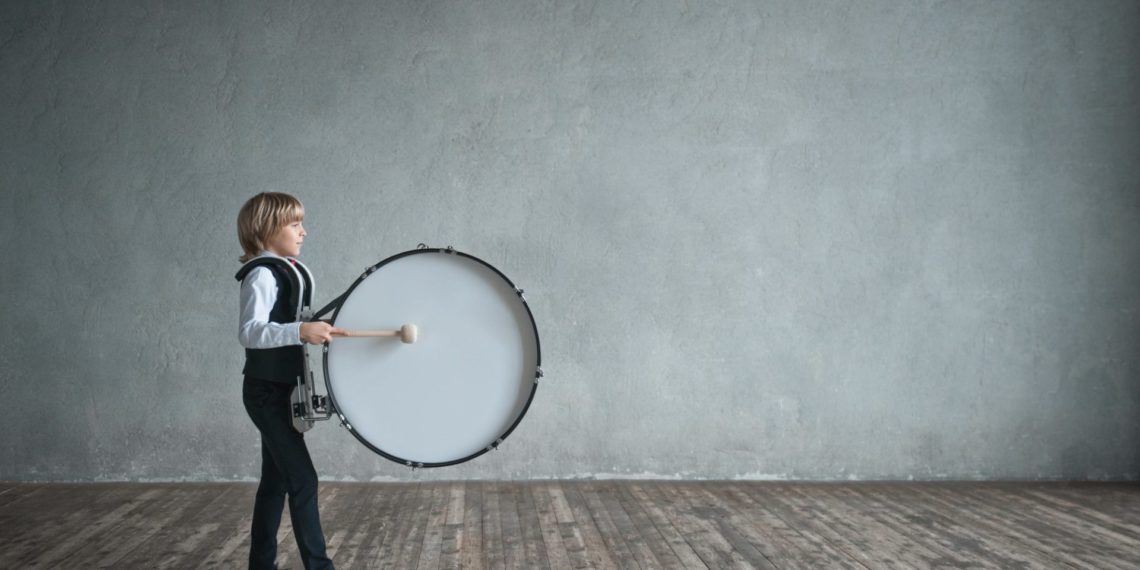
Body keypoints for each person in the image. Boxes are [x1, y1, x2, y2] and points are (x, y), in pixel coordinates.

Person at [235, 192, 341, 570]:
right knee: (303, 480)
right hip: (266, 393)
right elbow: (250, 332)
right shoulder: (262, 274)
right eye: (295, 224)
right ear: (268, 228)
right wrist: (300, 331)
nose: (303, 232)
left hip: (281, 390)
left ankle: (260, 564)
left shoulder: (285, 267)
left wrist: (311, 329)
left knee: (275, 483)